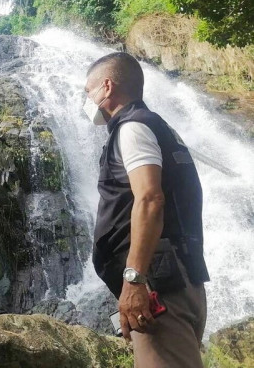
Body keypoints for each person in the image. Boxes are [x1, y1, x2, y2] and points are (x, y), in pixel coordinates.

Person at [84, 53, 209, 367]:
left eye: (88, 92)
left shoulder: (132, 128)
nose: (86, 101)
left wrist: (134, 280)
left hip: (159, 285)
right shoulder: (157, 126)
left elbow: (150, 199)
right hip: (176, 277)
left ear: (107, 87)